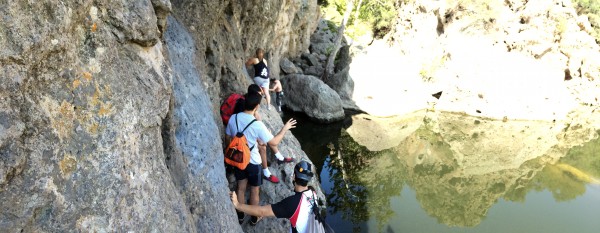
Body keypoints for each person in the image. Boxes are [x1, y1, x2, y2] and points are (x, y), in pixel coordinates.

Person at [225, 92, 297, 225]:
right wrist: (284, 129)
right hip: (253, 162)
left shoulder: (233, 118)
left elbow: (228, 137)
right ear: (257, 106)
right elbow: (274, 142)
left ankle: (240, 215)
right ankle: (254, 218)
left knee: (240, 187)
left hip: (238, 160)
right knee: (254, 190)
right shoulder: (257, 125)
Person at [230, 160, 323, 232]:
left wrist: (237, 205)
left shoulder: (292, 204)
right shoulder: (313, 193)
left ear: (294, 176)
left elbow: (262, 212)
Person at [246, 84, 295, 183]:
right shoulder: (248, 107)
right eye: (260, 95)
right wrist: (284, 128)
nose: (261, 97)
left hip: (249, 132)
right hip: (245, 140)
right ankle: (266, 172)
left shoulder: (249, 104)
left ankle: (279, 157)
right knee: (263, 146)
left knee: (267, 137)